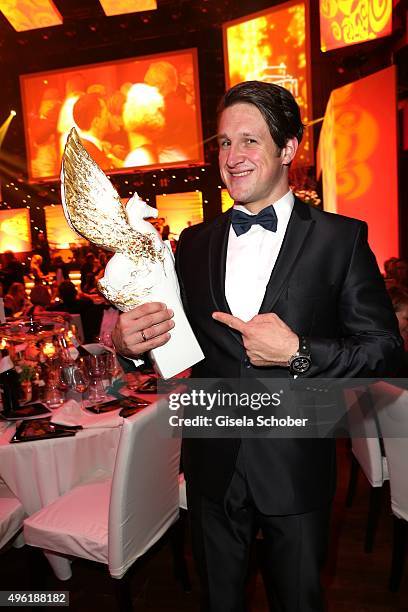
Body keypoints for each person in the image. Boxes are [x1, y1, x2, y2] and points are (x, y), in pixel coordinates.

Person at [112, 81, 403, 611]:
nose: (232, 157)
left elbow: (385, 350)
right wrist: (127, 343)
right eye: (223, 143)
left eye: (249, 141)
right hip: (211, 465)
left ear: (288, 148)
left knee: (299, 601)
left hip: (296, 465)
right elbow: (171, 340)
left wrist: (297, 352)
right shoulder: (194, 242)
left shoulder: (341, 239)